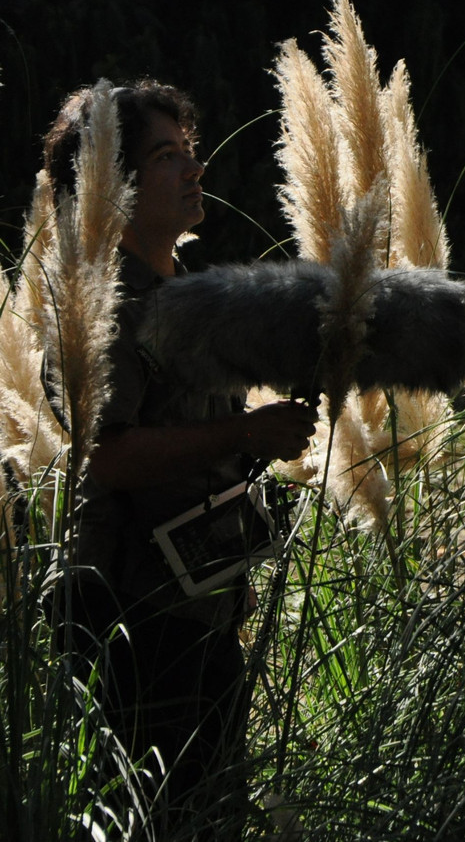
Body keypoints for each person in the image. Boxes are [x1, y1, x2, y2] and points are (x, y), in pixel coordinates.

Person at [42, 78, 317, 840]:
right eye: (168, 156)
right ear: (115, 183)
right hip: (136, 624)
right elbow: (108, 456)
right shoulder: (104, 301)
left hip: (204, 613)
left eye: (190, 151)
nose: (195, 169)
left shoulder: (189, 288)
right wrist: (243, 434)